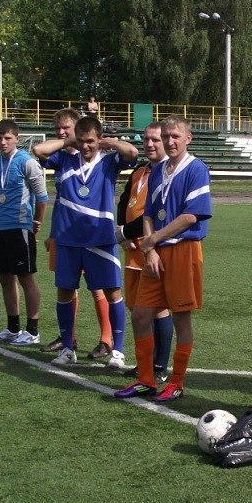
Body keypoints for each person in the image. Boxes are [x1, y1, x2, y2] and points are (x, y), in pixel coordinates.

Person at [114, 115, 211, 402]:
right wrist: (151, 250)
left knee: (181, 319)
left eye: (175, 136)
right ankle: (146, 379)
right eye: (166, 136)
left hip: (183, 250)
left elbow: (191, 216)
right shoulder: (157, 170)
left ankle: (176, 382)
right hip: (156, 251)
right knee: (140, 314)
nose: (169, 141)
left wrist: (152, 240)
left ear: (188, 138)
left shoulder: (196, 169)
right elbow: (147, 214)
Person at [33, 116, 138, 367]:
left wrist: (108, 142)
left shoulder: (109, 162)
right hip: (68, 239)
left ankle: (117, 350)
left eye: (90, 141)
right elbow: (38, 150)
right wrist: (68, 141)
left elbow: (132, 152)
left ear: (98, 139)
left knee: (112, 292)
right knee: (65, 292)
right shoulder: (65, 159)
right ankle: (68, 349)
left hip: (100, 239)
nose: (85, 146)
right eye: (81, 141)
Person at [41, 108, 114, 359]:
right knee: (66, 286)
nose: (62, 132)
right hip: (65, 232)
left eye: (67, 128)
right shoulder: (60, 158)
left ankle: (106, 339)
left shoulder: (95, 158)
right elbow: (60, 199)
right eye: (58, 129)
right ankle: (67, 338)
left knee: (98, 287)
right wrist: (53, 232)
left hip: (91, 233)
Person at [115, 122, 174, 384]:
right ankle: (145, 364)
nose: (149, 144)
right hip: (133, 249)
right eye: (146, 140)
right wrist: (123, 232)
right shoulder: (139, 171)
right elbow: (123, 202)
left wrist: (125, 232)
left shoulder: (169, 172)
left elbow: (159, 213)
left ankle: (159, 366)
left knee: (158, 308)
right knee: (137, 309)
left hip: (155, 249)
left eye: (156, 140)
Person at [0, 120, 49, 346]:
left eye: (7, 138)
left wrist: (36, 222)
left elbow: (42, 198)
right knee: (4, 278)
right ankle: (13, 328)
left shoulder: (26, 162)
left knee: (25, 277)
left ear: (17, 139)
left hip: (20, 226)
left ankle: (32, 330)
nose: (2, 142)